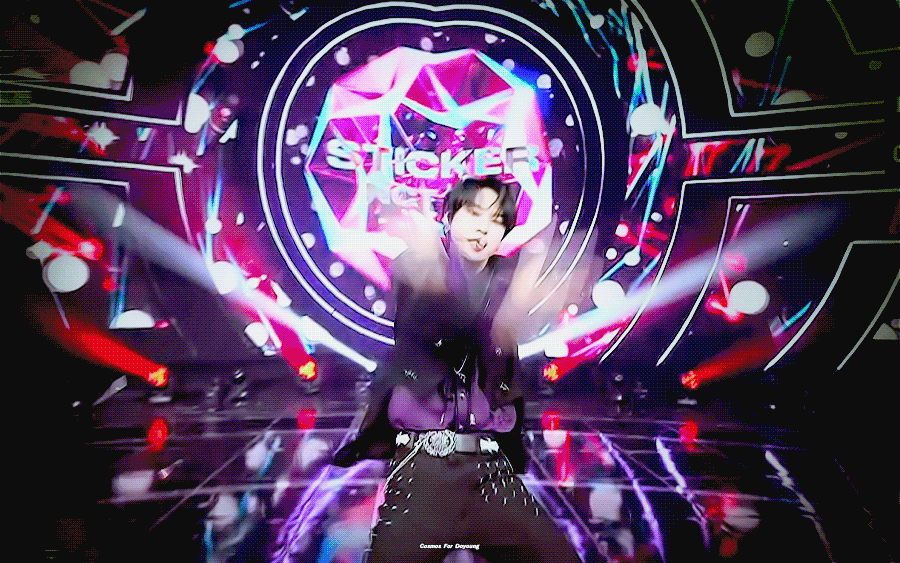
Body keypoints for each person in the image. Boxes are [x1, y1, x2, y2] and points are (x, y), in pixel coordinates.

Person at [332, 176, 582, 563]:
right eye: (474, 214)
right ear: (449, 218)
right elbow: (436, 328)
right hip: (422, 473)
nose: (484, 229)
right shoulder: (416, 267)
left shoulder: (504, 280)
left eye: (497, 221)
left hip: (490, 474)